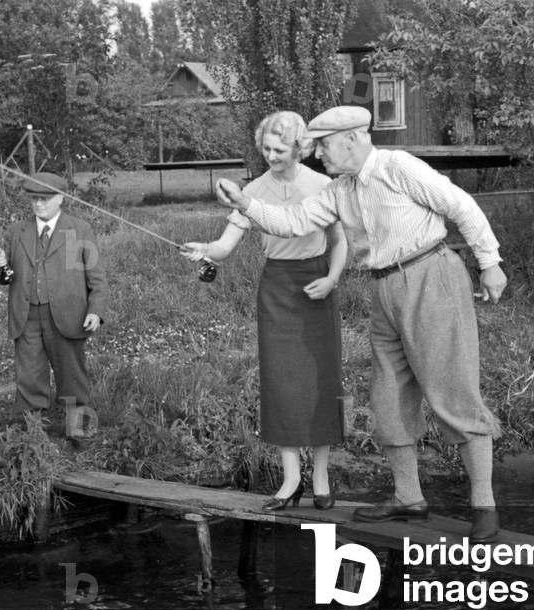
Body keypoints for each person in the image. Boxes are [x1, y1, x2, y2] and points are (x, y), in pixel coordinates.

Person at [214, 106, 507, 543]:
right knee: (387, 396)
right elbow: (293, 222)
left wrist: (490, 264)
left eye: (325, 145)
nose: (319, 155)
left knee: (452, 391)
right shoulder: (340, 189)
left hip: (430, 276)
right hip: (383, 288)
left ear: (351, 139)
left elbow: (460, 206)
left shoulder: (398, 167)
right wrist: (246, 204)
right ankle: (409, 498)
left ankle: (484, 506)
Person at [181, 111, 348, 511]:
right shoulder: (252, 190)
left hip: (317, 283)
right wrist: (206, 250)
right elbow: (225, 245)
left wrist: (332, 279)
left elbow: (341, 243)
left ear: (299, 148)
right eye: (266, 149)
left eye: (279, 149)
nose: (271, 155)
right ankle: (291, 481)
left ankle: (321, 477)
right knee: (282, 382)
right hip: (277, 289)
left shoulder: (323, 184)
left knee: (322, 380)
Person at [0, 172, 109, 446]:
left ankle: (81, 436)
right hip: (26, 316)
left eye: (44, 199)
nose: (38, 204)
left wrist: (95, 310)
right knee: (29, 379)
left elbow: (97, 278)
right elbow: (4, 278)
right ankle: (33, 439)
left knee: (72, 379)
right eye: (33, 198)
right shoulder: (16, 231)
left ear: (60, 199)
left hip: (68, 317)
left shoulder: (79, 230)